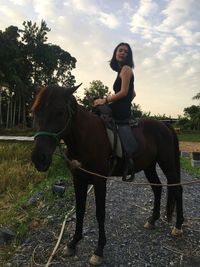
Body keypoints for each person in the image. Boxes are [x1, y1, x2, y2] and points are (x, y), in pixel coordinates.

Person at [93, 42, 137, 181]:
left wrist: (106, 100)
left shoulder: (126, 69)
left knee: (97, 110)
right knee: (96, 106)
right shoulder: (121, 71)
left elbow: (124, 92)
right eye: (120, 50)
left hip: (120, 110)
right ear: (115, 53)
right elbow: (133, 93)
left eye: (126, 52)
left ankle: (107, 155)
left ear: (129, 56)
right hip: (121, 106)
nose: (123, 53)